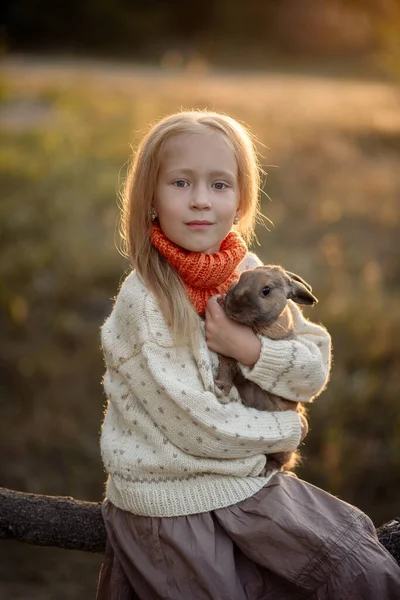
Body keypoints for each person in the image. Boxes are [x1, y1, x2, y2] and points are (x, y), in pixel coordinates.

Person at [96, 110, 400, 599]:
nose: (200, 200)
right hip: (173, 499)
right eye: (180, 182)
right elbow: (195, 426)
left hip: (246, 480)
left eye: (220, 185)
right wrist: (287, 430)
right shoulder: (146, 302)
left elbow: (312, 367)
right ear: (149, 197)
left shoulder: (247, 270)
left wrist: (252, 349)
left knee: (361, 570)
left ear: (241, 200)